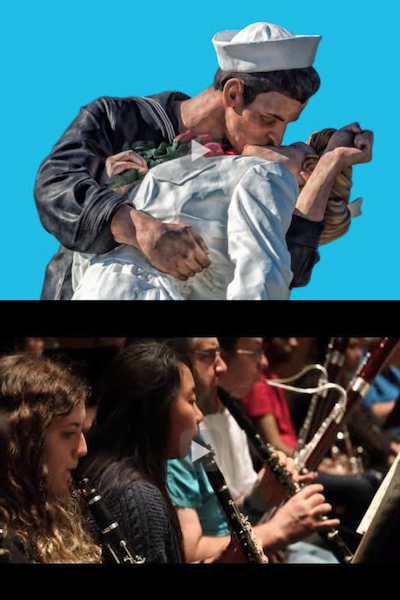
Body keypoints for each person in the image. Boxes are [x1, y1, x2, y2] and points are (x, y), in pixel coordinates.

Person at [35, 21, 373, 299]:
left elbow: (285, 271)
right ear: (233, 94)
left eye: (287, 125)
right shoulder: (115, 118)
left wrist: (330, 164)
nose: (277, 138)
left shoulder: (247, 168)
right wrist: (143, 229)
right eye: (270, 119)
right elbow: (55, 188)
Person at [70, 123, 370, 300]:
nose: (279, 140)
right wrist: (118, 188)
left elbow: (266, 278)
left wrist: (332, 161)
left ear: (305, 173)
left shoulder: (268, 177)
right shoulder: (221, 167)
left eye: (294, 146)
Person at [79, 339, 260, 563]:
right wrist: (276, 529)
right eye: (191, 400)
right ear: (156, 410)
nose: (199, 415)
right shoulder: (138, 497)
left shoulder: (125, 473)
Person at [165, 337, 340, 563]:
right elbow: (190, 552)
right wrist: (275, 531)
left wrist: (261, 496)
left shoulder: (221, 418)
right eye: (208, 356)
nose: (221, 367)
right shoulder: (180, 442)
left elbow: (223, 515)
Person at [0, 353, 101, 563]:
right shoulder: (8, 546)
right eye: (68, 434)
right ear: (26, 442)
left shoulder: (53, 512)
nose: (82, 449)